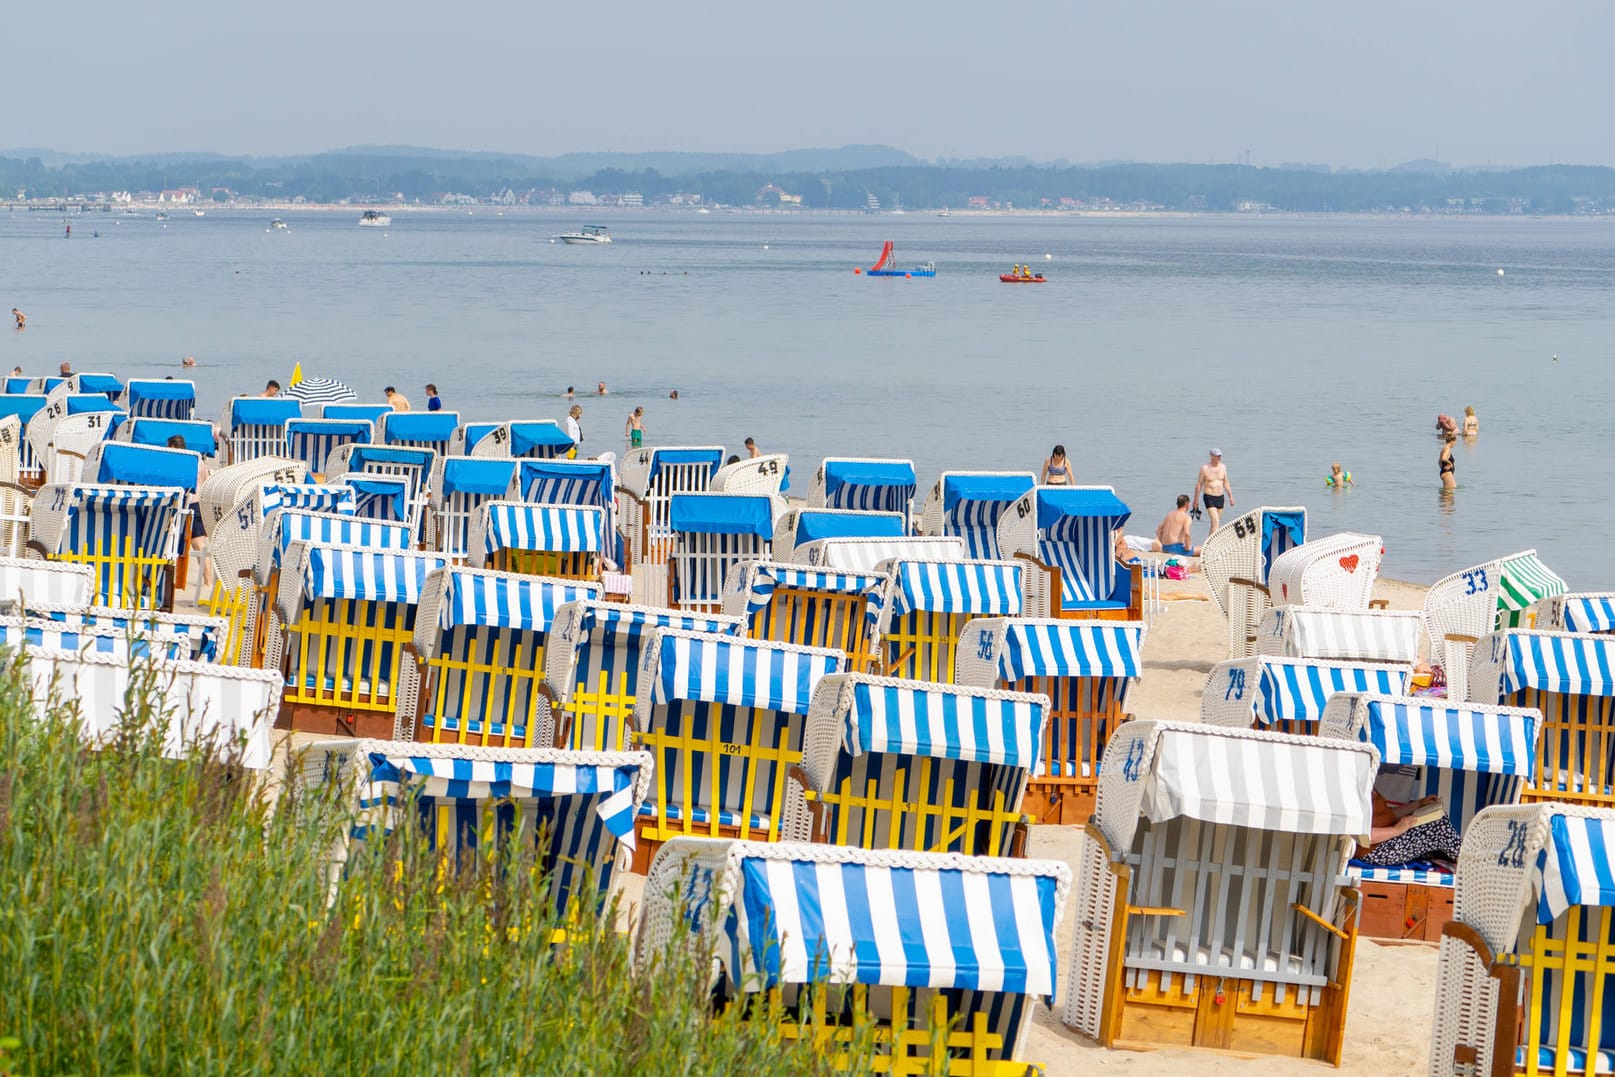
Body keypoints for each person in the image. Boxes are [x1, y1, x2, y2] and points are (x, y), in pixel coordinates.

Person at [168, 435, 212, 591]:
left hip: (185, 504)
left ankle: (176, 580)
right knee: (200, 546)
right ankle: (208, 581)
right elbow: (207, 480)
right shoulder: (198, 460)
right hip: (198, 503)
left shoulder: (178, 461)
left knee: (173, 544)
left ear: (173, 447)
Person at [1193, 448, 1234, 533]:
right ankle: (1212, 544)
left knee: (1215, 524)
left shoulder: (1223, 467)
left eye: (1220, 456)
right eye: (1217, 456)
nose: (1219, 458)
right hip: (1209, 496)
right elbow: (1199, 484)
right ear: (1211, 456)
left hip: (1220, 497)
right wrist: (1196, 500)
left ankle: (1208, 544)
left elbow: (1225, 482)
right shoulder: (1204, 468)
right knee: (1216, 521)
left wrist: (1230, 496)